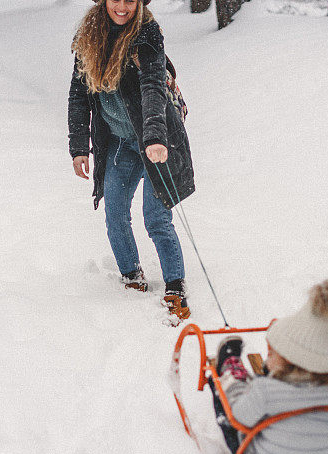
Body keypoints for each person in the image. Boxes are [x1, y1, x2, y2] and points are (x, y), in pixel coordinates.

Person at [68, 0, 195, 323]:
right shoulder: (89, 38)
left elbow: (152, 86)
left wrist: (154, 137)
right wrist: (79, 146)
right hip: (121, 143)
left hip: (156, 141)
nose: (122, 6)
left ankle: (175, 285)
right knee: (114, 212)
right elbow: (79, 95)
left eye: (131, 0)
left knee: (156, 218)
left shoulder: (147, 34)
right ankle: (131, 276)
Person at [208, 280, 328, 454]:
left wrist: (242, 390)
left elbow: (239, 417)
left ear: (289, 358)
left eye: (271, 354)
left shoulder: (266, 392)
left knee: (229, 394)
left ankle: (232, 367)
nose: (267, 357)